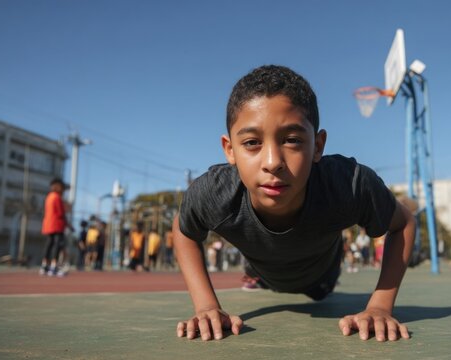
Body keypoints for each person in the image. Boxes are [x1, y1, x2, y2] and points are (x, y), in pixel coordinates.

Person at [173, 65, 414, 342]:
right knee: (258, 270)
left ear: (318, 146)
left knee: (321, 292)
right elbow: (183, 230)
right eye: (252, 143)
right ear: (230, 149)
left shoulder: (348, 185)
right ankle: (255, 274)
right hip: (263, 270)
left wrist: (380, 307)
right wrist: (206, 306)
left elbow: (404, 222)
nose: (273, 162)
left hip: (320, 279)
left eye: (292, 140)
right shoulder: (214, 193)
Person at [40, 178, 72, 276]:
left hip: (48, 224)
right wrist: (68, 224)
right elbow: (60, 213)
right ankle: (54, 267)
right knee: (57, 245)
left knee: (49, 245)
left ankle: (44, 266)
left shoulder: (49, 197)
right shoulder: (57, 197)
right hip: (57, 225)